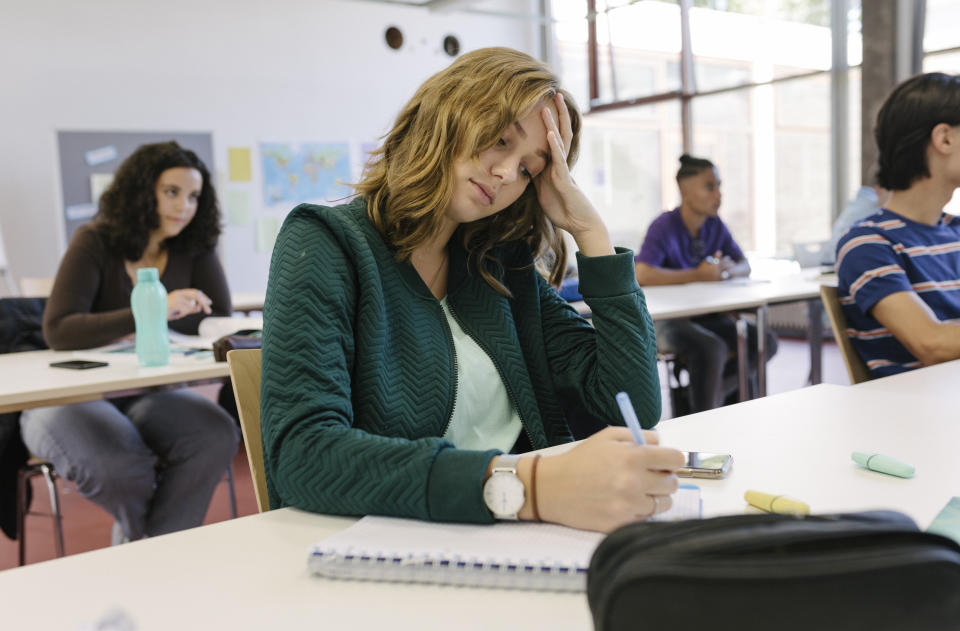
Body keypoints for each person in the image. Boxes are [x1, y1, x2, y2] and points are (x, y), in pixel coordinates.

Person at [260, 47, 684, 533]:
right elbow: (303, 455)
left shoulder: (499, 266)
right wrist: (527, 485)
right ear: (449, 113)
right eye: (500, 139)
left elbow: (628, 402)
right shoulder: (326, 242)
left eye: (530, 169)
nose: (506, 173)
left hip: (517, 539)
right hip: (385, 545)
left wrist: (590, 233)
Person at [20, 141, 239, 543]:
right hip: (68, 394)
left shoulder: (194, 247)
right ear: (141, 192)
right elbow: (60, 329)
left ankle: (144, 555)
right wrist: (152, 310)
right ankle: (157, 555)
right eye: (171, 192)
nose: (184, 207)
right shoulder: (94, 241)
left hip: (145, 390)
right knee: (118, 464)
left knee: (216, 433)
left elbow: (217, 320)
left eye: (194, 197)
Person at [836, 72, 960, 378]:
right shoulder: (868, 244)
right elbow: (930, 342)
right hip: (916, 415)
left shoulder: (955, 230)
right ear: (944, 138)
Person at [634, 154, 778, 413]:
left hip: (706, 317)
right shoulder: (663, 226)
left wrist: (730, 270)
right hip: (668, 321)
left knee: (764, 340)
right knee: (712, 348)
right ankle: (704, 412)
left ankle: (720, 392)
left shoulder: (715, 225)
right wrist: (698, 275)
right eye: (710, 186)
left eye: (720, 186)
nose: (718, 195)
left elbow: (744, 264)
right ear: (685, 191)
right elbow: (642, 273)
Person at [821, 173, 890, 266]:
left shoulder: (861, 201)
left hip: (832, 260)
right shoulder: (872, 206)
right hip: (838, 264)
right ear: (879, 189)